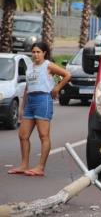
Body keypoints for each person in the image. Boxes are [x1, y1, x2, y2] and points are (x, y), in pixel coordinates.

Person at [7, 42, 71, 176]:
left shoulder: (48, 65)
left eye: (38, 52)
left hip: (43, 100)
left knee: (43, 135)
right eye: (34, 52)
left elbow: (67, 75)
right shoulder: (30, 67)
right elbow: (27, 88)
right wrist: (22, 107)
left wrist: (56, 89)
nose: (36, 54)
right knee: (23, 135)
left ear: (44, 53)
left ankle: (40, 167)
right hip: (30, 100)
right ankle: (24, 165)